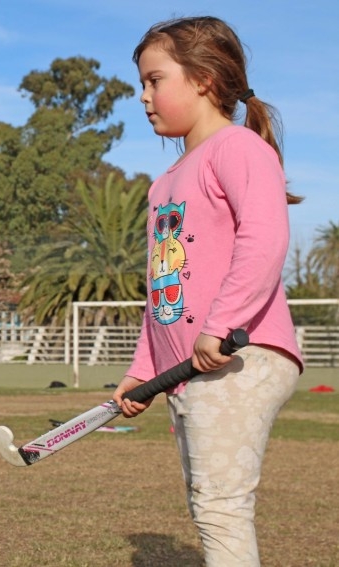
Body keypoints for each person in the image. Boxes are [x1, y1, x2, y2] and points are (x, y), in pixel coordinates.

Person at [112, 16, 304, 566]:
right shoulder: (164, 184)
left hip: (241, 355)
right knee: (209, 505)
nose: (144, 97)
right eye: (142, 84)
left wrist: (220, 325)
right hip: (191, 369)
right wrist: (142, 371)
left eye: (155, 80)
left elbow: (264, 240)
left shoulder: (237, 148)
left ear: (203, 78)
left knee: (220, 506)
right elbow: (161, 290)